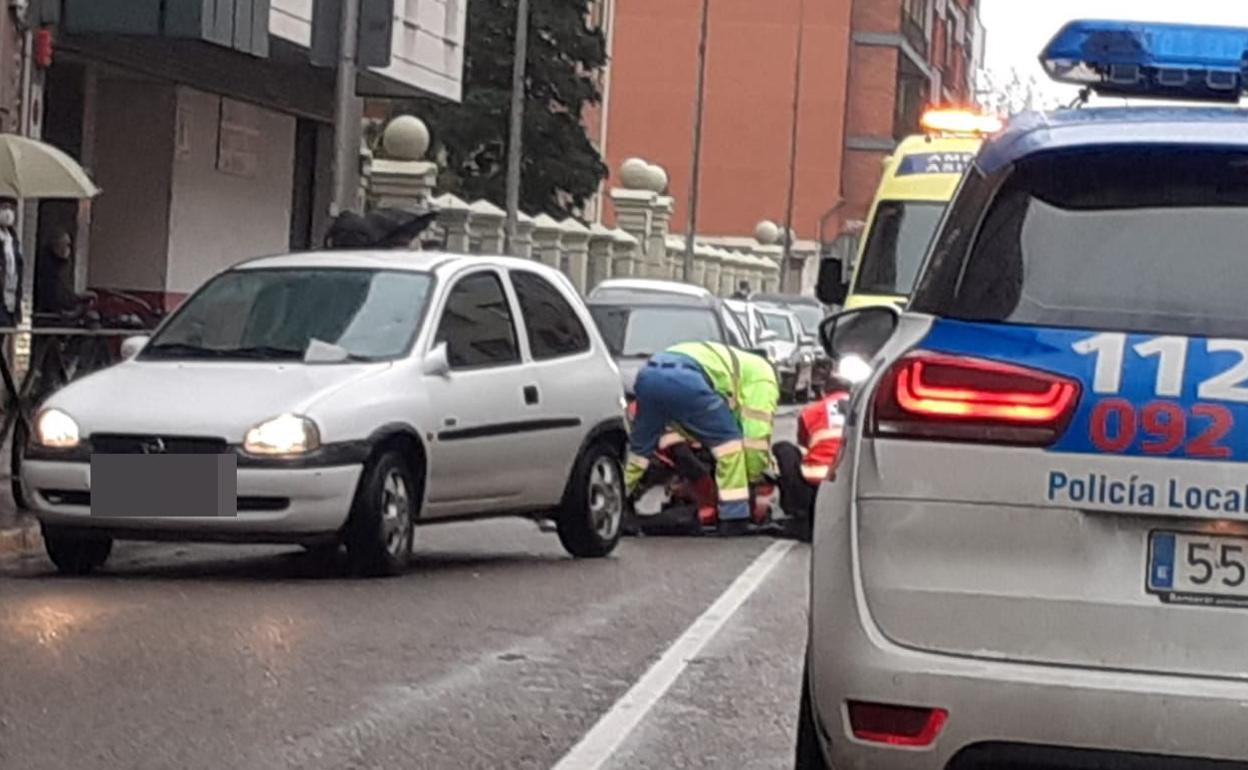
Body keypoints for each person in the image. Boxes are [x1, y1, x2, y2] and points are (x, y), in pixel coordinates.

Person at [625, 341, 779, 535]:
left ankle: (617, 501)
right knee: (729, 447)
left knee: (639, 453)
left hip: (649, 376)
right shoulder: (764, 378)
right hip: (686, 380)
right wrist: (752, 477)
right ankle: (734, 518)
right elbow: (755, 438)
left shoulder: (732, 364)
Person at [773, 388, 850, 540]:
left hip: (813, 489)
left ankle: (797, 511)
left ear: (823, 392)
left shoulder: (813, 410)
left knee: (783, 448)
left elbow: (804, 445)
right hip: (849, 488)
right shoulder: (864, 409)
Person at [35, 229, 88, 318]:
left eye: (69, 245)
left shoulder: (64, 266)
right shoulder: (48, 267)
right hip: (52, 315)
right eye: (64, 245)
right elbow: (55, 293)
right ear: (55, 246)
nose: (67, 249)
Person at [0, 197, 23, 328]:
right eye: (3, 208)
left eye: (11, 208)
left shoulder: (13, 238)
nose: (8, 213)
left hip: (10, 299)